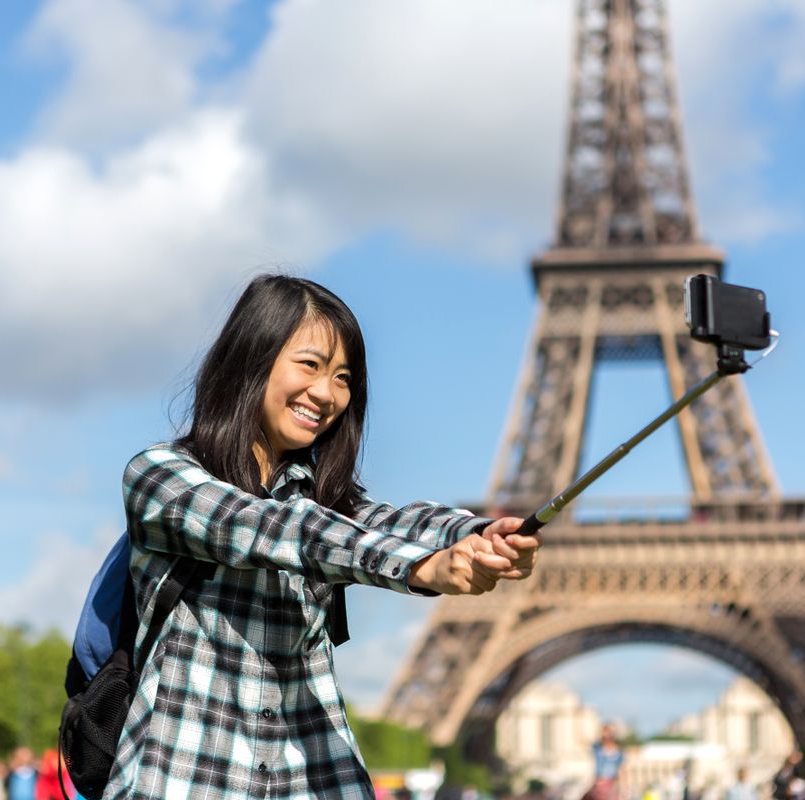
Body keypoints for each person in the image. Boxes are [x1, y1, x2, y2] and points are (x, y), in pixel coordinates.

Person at [102, 275, 540, 800]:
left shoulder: (329, 506)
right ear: (252, 358)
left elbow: (394, 522)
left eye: (343, 377)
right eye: (310, 365)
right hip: (187, 780)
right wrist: (422, 567)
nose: (327, 393)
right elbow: (274, 528)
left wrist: (478, 533)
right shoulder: (160, 477)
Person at [585, 725, 624, 800]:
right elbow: (583, 741)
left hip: (611, 783)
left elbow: (621, 769)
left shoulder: (618, 751)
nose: (606, 736)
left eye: (608, 733)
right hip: (599, 782)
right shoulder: (597, 748)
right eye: (604, 733)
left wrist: (622, 787)